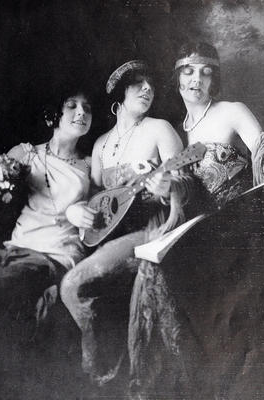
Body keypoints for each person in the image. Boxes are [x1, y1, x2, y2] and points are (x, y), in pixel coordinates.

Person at [127, 42, 264, 399]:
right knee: (154, 269)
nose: (196, 79)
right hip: (198, 229)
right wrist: (162, 184)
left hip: (241, 226)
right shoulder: (173, 133)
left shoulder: (231, 111)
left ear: (214, 78)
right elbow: (180, 190)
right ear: (177, 77)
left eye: (205, 72)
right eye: (188, 71)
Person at [60, 60, 189, 385]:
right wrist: (79, 214)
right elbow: (94, 200)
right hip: (110, 235)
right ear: (118, 98)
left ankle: (101, 378)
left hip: (151, 229)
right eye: (137, 84)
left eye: (151, 85)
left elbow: (186, 181)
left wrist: (168, 187)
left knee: (74, 285)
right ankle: (109, 367)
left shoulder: (160, 128)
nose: (147, 89)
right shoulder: (101, 144)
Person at [0, 86, 93, 326]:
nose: (82, 112)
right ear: (54, 115)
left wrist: (81, 212)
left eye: (87, 108)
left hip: (53, 257)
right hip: (14, 249)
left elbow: (102, 213)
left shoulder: (89, 166)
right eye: (72, 105)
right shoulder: (26, 154)